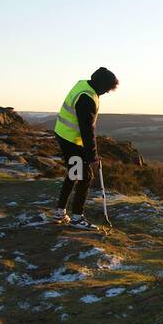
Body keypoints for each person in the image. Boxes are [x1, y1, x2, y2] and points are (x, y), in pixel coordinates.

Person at [50, 67, 118, 227]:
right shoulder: (87, 98)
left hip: (65, 135)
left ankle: (60, 212)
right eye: (107, 88)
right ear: (101, 84)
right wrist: (93, 157)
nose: (107, 92)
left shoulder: (83, 86)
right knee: (85, 176)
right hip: (70, 140)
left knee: (74, 173)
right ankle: (77, 217)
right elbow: (87, 130)